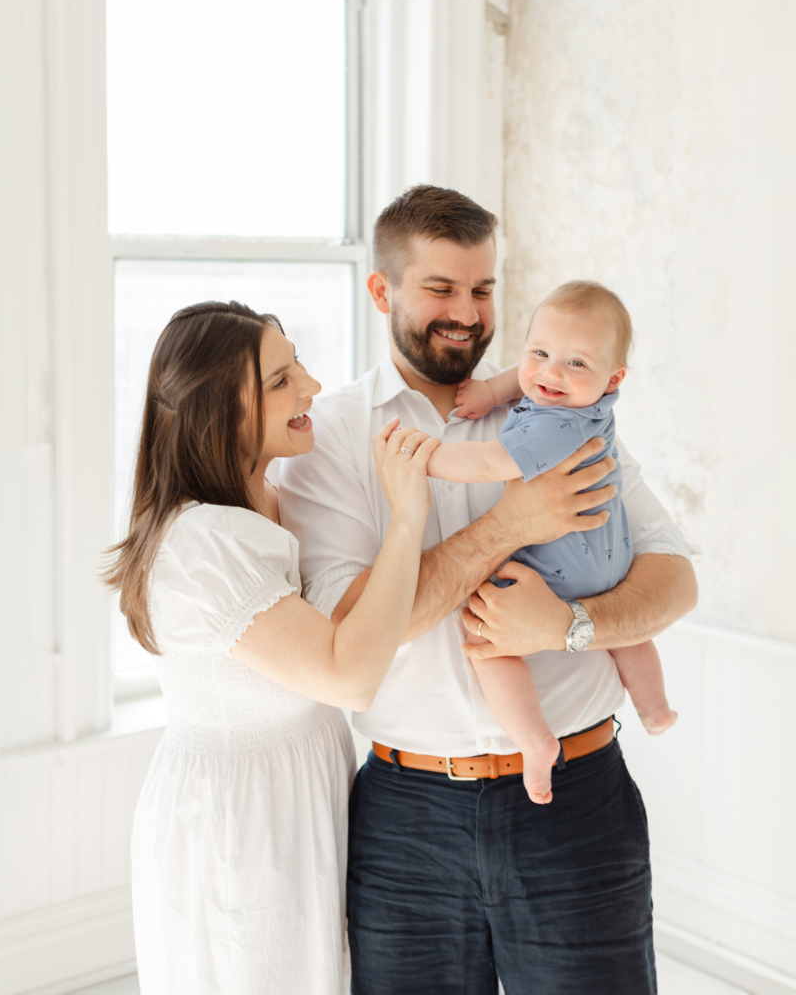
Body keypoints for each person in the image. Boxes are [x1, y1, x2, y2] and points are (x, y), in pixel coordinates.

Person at [278, 185, 698, 995]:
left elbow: (673, 576)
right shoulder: (331, 435)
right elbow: (353, 628)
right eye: (440, 289)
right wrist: (513, 523)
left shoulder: (555, 405)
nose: (466, 313)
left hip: (577, 800)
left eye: (482, 289)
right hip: (406, 821)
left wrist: (571, 624)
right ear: (382, 291)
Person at [104, 300, 439, 995]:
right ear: (222, 410)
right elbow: (350, 677)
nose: (311, 386)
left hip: (298, 802)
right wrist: (408, 518)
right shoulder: (202, 543)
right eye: (283, 378)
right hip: (240, 828)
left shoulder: (272, 494)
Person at [425, 279, 677, 805]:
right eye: (538, 352)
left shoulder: (555, 429)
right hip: (613, 564)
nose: (551, 373)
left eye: (576, 363)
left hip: (558, 567)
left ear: (614, 376)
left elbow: (491, 461)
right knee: (626, 632)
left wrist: (423, 457)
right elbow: (528, 384)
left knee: (483, 638)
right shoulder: (591, 407)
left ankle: (534, 742)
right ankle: (654, 707)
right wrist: (494, 391)